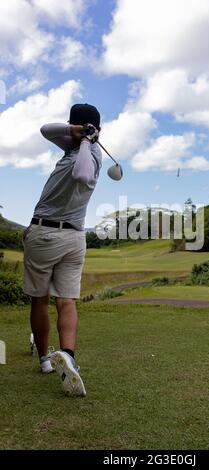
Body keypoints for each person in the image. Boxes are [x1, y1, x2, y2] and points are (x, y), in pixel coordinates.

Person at [22, 103, 102, 397]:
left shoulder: (88, 156)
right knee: (66, 301)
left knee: (40, 300)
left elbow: (81, 175)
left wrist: (84, 141)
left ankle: (47, 359)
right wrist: (77, 133)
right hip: (73, 238)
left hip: (47, 233)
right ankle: (67, 354)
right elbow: (45, 130)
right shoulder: (74, 148)